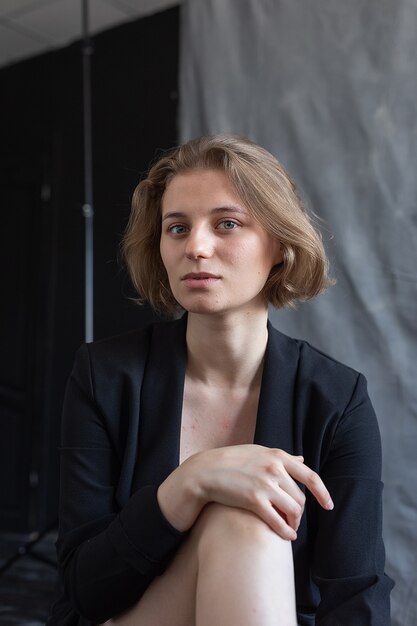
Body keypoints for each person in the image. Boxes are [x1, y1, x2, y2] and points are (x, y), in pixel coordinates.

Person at [48, 135, 394, 626]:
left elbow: (356, 593)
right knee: (244, 518)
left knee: (245, 523)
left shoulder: (337, 398)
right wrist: (190, 484)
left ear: (279, 246)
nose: (197, 247)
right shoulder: (104, 376)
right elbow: (84, 589)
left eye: (227, 224)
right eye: (177, 228)